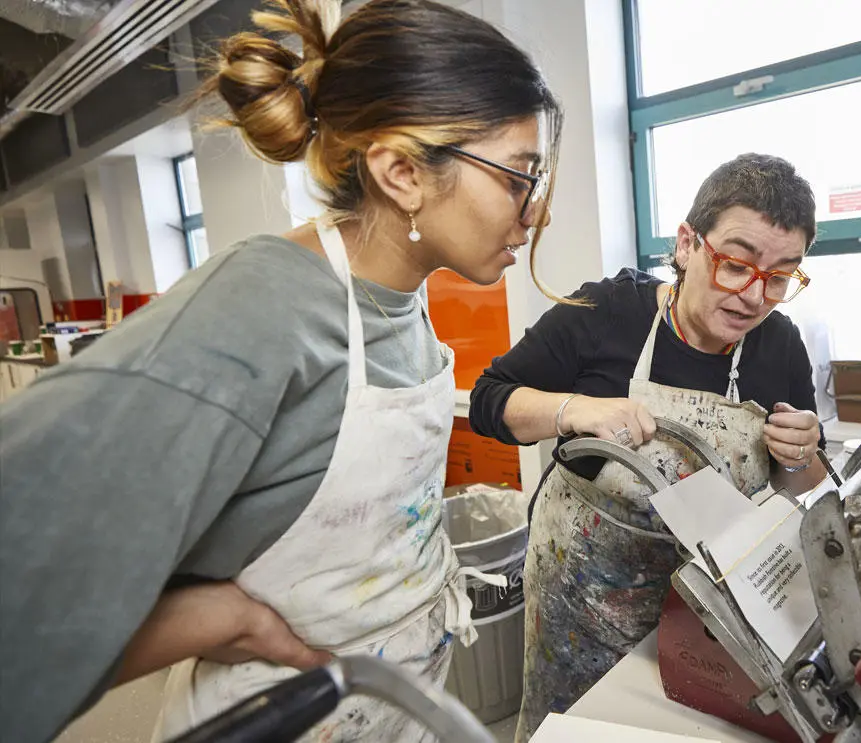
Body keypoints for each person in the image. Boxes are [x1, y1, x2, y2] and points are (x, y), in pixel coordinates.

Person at [0, 1, 562, 740]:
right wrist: (207, 615)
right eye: (518, 176)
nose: (536, 214)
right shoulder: (263, 308)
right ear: (401, 172)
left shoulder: (400, 295)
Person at [468, 153, 827, 741]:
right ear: (687, 244)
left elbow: (801, 488)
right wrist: (572, 409)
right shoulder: (606, 313)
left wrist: (801, 452)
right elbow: (489, 402)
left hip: (702, 619)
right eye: (737, 264)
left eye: (780, 276)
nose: (753, 296)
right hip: (578, 607)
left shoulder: (779, 347)